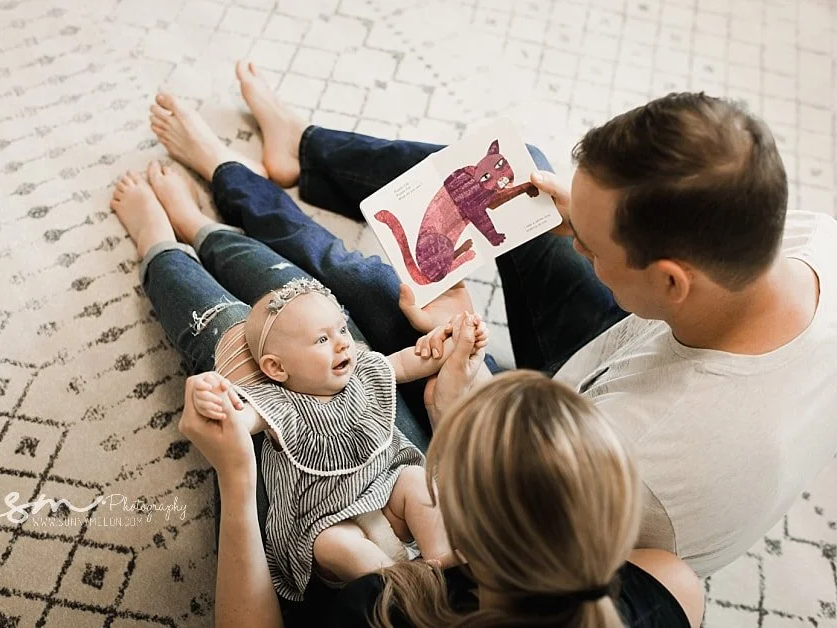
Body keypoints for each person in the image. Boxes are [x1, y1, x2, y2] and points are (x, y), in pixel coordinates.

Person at [150, 59, 837, 578]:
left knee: (361, 297)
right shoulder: (808, 240)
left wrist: (459, 374)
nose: (578, 241)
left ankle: (225, 177)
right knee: (523, 182)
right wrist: (575, 213)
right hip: (612, 371)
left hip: (536, 490)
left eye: (592, 246)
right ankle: (306, 150)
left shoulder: (637, 456)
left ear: (669, 280)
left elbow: (474, 521)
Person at [112, 161, 484, 600]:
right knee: (293, 296)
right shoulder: (281, 402)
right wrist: (443, 348)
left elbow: (399, 366)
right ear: (276, 371)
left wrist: (426, 358)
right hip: (324, 517)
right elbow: (248, 418)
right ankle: (197, 229)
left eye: (342, 333)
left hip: (384, 491)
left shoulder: (359, 372)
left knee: (416, 486)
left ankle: (429, 568)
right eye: (326, 340)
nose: (345, 344)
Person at [182, 369, 704, 627]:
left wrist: (235, 481)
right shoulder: (670, 585)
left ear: (461, 526)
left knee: (252, 402)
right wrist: (446, 411)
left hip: (338, 554)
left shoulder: (377, 609)